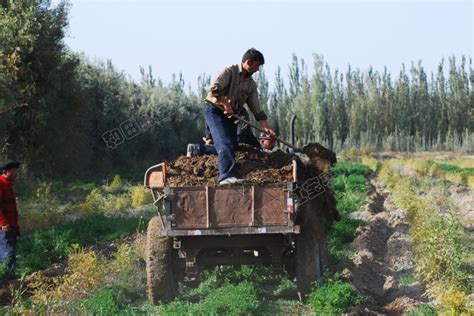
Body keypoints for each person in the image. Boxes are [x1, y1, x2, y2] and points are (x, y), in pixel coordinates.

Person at [204, 48, 276, 184]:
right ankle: (225, 177)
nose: (257, 70)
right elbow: (214, 89)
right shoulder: (228, 71)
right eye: (257, 66)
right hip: (215, 111)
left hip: (230, 116)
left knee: (231, 145)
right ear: (248, 62)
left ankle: (198, 150)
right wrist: (226, 104)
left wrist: (267, 129)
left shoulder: (250, 85)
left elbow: (257, 110)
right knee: (224, 143)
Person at [0, 161, 20, 276]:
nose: (15, 173)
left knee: (8, 252)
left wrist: (15, 226)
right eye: (13, 171)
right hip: (4, 227)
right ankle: (8, 280)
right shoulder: (1, 183)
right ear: (5, 172)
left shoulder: (7, 184)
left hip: (10, 225)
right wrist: (3, 223)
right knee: (8, 254)